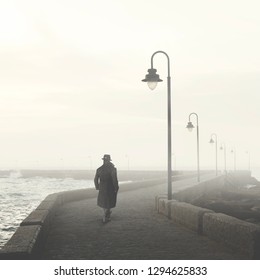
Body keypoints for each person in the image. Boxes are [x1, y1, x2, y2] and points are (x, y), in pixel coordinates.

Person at [94, 154, 119, 223]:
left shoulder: (99, 169)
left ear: (103, 160)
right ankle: (106, 216)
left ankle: (106, 214)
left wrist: (97, 187)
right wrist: (116, 187)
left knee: (104, 201)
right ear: (109, 160)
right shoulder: (112, 169)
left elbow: (95, 179)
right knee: (109, 201)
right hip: (110, 187)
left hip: (102, 188)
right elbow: (114, 179)